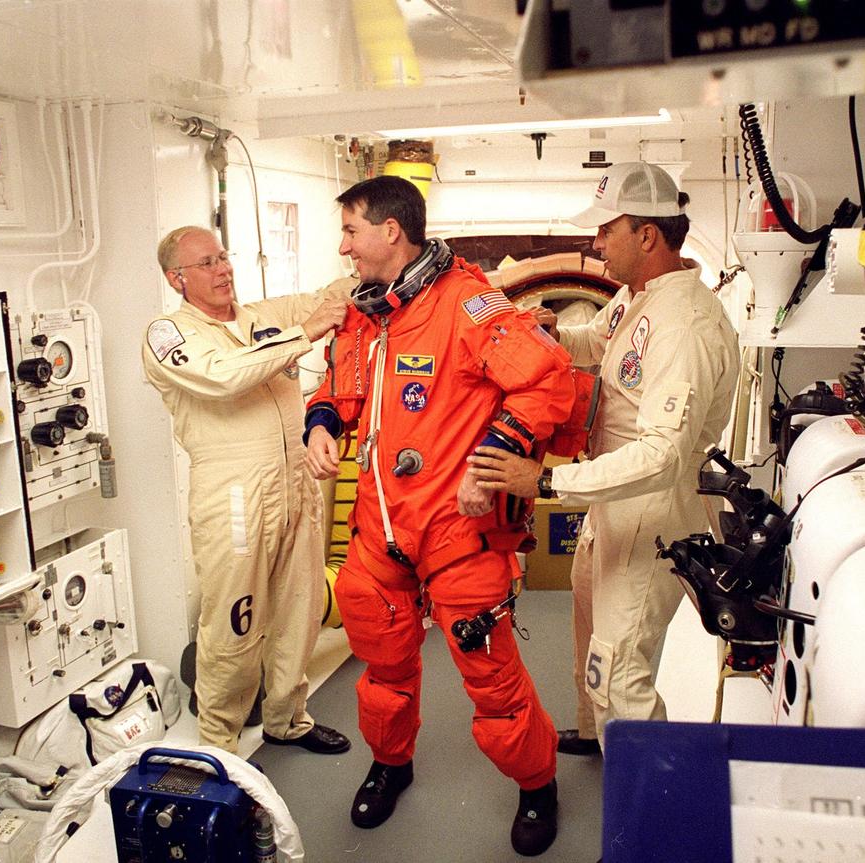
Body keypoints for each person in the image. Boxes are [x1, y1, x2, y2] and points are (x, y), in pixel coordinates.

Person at [303, 176, 576, 857]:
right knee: (383, 669)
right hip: (382, 528)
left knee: (492, 678)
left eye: (350, 231)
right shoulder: (369, 314)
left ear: (390, 232)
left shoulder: (467, 304)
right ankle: (392, 764)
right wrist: (321, 423)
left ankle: (538, 783)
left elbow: (548, 378)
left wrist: (493, 461)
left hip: (457, 530)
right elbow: (341, 388)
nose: (344, 248)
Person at [467, 162, 740, 755]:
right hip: (612, 500)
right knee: (590, 623)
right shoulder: (634, 297)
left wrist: (544, 480)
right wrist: (550, 333)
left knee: (619, 668)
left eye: (605, 230)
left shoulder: (685, 324)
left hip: (652, 506)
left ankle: (648, 813)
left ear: (647, 235)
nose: (595, 243)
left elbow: (663, 455)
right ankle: (596, 735)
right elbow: (596, 342)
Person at [142, 225, 352, 756]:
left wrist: (384, 264)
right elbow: (222, 376)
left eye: (223, 257)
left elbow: (332, 296)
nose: (223, 269)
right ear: (177, 278)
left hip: (294, 481)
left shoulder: (262, 316)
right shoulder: (167, 335)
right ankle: (220, 745)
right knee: (234, 622)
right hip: (233, 495)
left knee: (298, 610)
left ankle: (288, 718)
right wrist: (305, 333)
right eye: (206, 263)